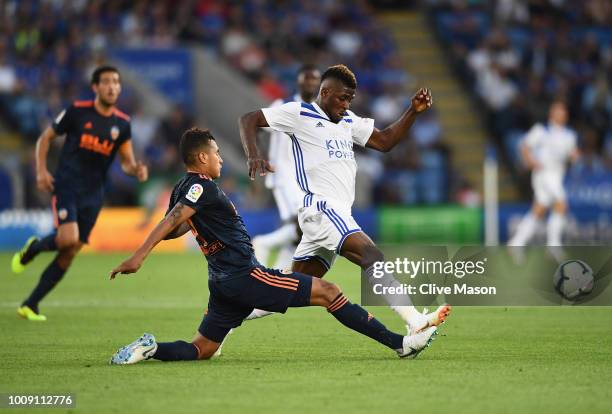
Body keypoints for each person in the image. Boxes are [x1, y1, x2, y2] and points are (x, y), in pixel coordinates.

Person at [108, 128, 438, 364]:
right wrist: (138, 256)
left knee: (203, 348)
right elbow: (173, 220)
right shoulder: (199, 187)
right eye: (216, 153)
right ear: (200, 157)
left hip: (221, 282)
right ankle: (401, 344)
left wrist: (172, 230)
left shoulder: (183, 186)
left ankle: (151, 349)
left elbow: (177, 226)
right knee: (329, 291)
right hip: (243, 276)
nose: (221, 158)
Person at [239, 64, 450, 334]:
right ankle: (415, 321)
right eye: (342, 97)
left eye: (350, 98)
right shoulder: (299, 113)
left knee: (289, 290)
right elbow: (248, 119)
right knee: (371, 254)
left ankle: (231, 312)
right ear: (325, 92)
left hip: (336, 214)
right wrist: (253, 154)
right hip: (322, 208)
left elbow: (385, 142)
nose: (346, 103)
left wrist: (412, 112)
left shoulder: (348, 120)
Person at [11, 65, 148, 321]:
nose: (112, 86)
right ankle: (33, 249)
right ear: (95, 87)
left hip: (93, 194)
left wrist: (136, 169)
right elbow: (45, 138)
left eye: (116, 82)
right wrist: (41, 171)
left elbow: (127, 161)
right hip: (67, 184)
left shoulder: (122, 124)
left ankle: (30, 304)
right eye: (106, 82)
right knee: (67, 238)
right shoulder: (77, 112)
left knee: (70, 250)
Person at [247, 64, 320, 321]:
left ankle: (275, 280)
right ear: (299, 82)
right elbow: (258, 124)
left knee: (302, 236)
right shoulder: (284, 103)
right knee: (304, 227)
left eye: (315, 78)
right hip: (284, 178)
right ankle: (265, 250)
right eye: (307, 78)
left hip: (305, 181)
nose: (311, 83)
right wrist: (258, 156)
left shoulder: (321, 113)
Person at [508, 100, 580, 250]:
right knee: (561, 203)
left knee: (539, 209)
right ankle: (553, 245)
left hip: (558, 174)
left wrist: (574, 157)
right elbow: (524, 146)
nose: (561, 114)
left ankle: (516, 243)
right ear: (551, 113)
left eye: (563, 111)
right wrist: (531, 161)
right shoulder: (542, 130)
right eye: (558, 110)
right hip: (544, 174)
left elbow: (571, 155)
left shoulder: (570, 135)